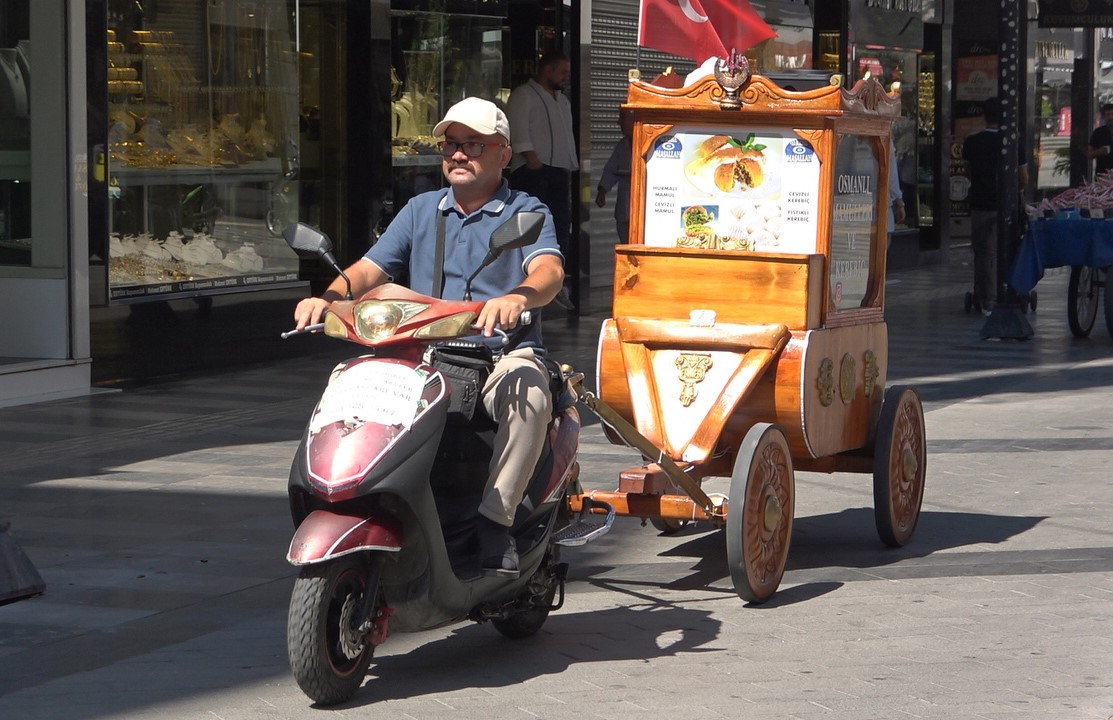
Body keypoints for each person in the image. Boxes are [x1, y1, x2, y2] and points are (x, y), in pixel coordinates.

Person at [293, 97, 565, 578]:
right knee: (346, 381)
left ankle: (495, 522)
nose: (458, 155)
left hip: (495, 354)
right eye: (451, 145)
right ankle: (346, 492)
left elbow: (549, 271)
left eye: (473, 146)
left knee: (530, 394)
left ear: (504, 154)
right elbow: (369, 270)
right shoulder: (421, 210)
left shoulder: (525, 210)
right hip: (420, 354)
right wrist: (328, 297)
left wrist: (519, 297)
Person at [507, 50, 578, 310]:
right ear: (547, 70)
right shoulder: (523, 94)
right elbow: (518, 126)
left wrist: (570, 164)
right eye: (562, 72)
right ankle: (526, 280)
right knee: (531, 225)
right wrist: (531, 158)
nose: (565, 77)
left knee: (560, 225)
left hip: (558, 169)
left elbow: (566, 134)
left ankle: (556, 282)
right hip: (532, 169)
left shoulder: (563, 100)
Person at [961, 97, 1028, 315]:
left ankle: (986, 299)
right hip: (1006, 206)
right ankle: (1007, 293)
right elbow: (1023, 177)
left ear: (983, 116)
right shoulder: (1012, 141)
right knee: (1007, 250)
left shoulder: (972, 142)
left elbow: (968, 171)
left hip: (980, 203)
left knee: (983, 253)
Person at [594, 108, 633, 243]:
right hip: (623, 209)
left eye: (622, 118)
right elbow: (611, 169)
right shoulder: (622, 146)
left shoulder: (655, 143)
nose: (618, 122)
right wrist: (602, 190)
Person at [1086, 102, 1113, 176]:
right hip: (1103, 176)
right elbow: (1089, 154)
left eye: (1112, 114)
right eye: (1108, 115)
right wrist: (1099, 151)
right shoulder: (1098, 133)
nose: (1111, 117)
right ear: (1104, 117)